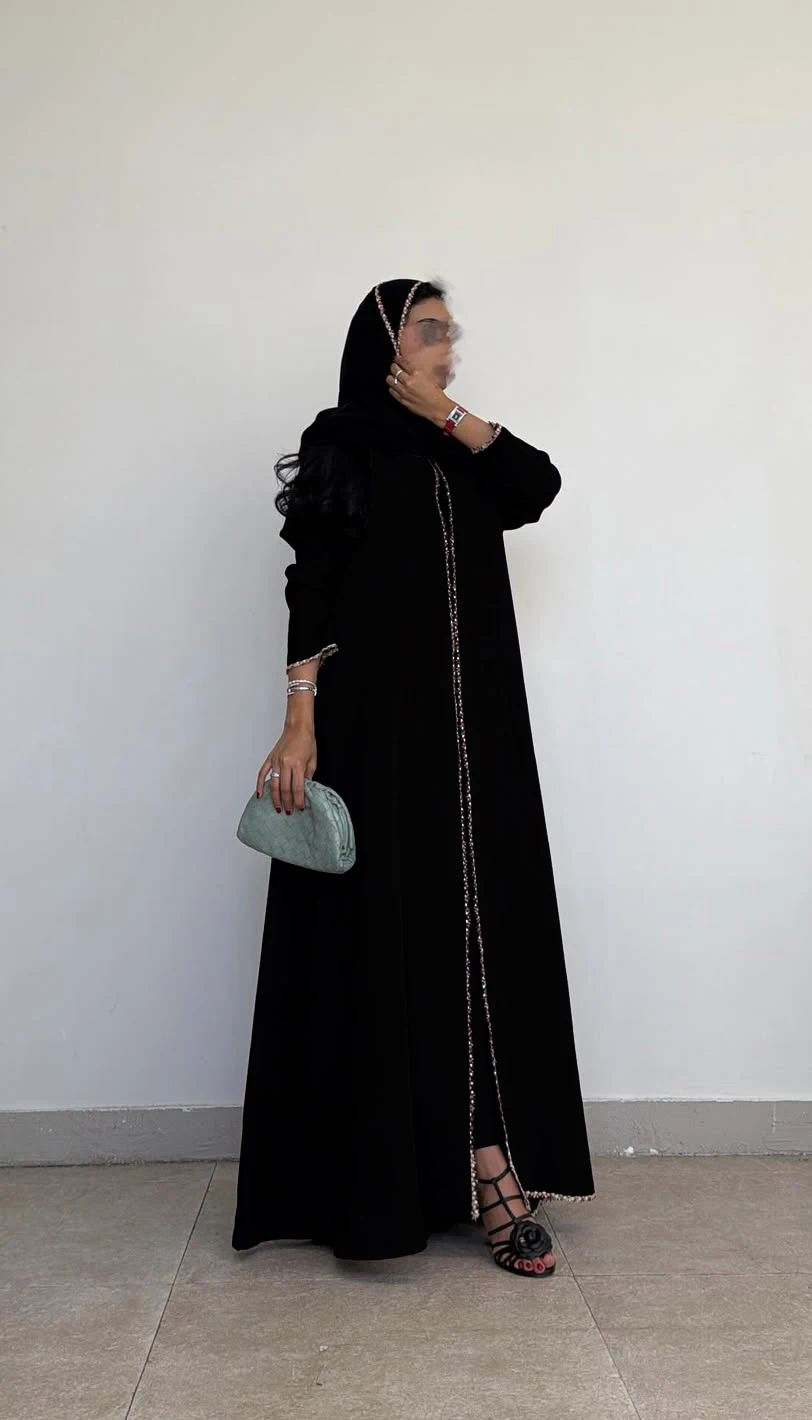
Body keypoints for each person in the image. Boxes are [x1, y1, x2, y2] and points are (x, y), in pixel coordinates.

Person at [231, 277, 595, 1277]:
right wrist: (299, 718)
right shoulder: (342, 443)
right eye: (433, 331)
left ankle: (483, 1158)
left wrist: (450, 414)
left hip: (481, 742)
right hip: (381, 737)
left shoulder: (464, 446)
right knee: (399, 939)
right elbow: (311, 584)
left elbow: (537, 487)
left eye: (451, 332)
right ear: (386, 343)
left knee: (481, 935)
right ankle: (449, 1174)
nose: (450, 346)